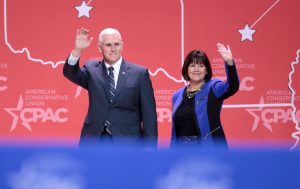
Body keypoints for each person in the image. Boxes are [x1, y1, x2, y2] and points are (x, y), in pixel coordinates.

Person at [63, 27, 158, 147]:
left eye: (116, 44)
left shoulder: (139, 73)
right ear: (99, 48)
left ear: (122, 45)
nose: (113, 49)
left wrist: (150, 148)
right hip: (94, 141)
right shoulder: (91, 69)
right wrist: (78, 50)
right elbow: (70, 73)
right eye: (108, 45)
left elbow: (149, 115)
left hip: (128, 143)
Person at [171, 43, 239, 148]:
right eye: (192, 65)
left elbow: (232, 86)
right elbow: (174, 132)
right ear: (186, 69)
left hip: (210, 152)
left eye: (201, 66)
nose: (196, 69)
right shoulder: (177, 95)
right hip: (182, 154)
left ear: (206, 70)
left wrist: (229, 63)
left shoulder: (213, 87)